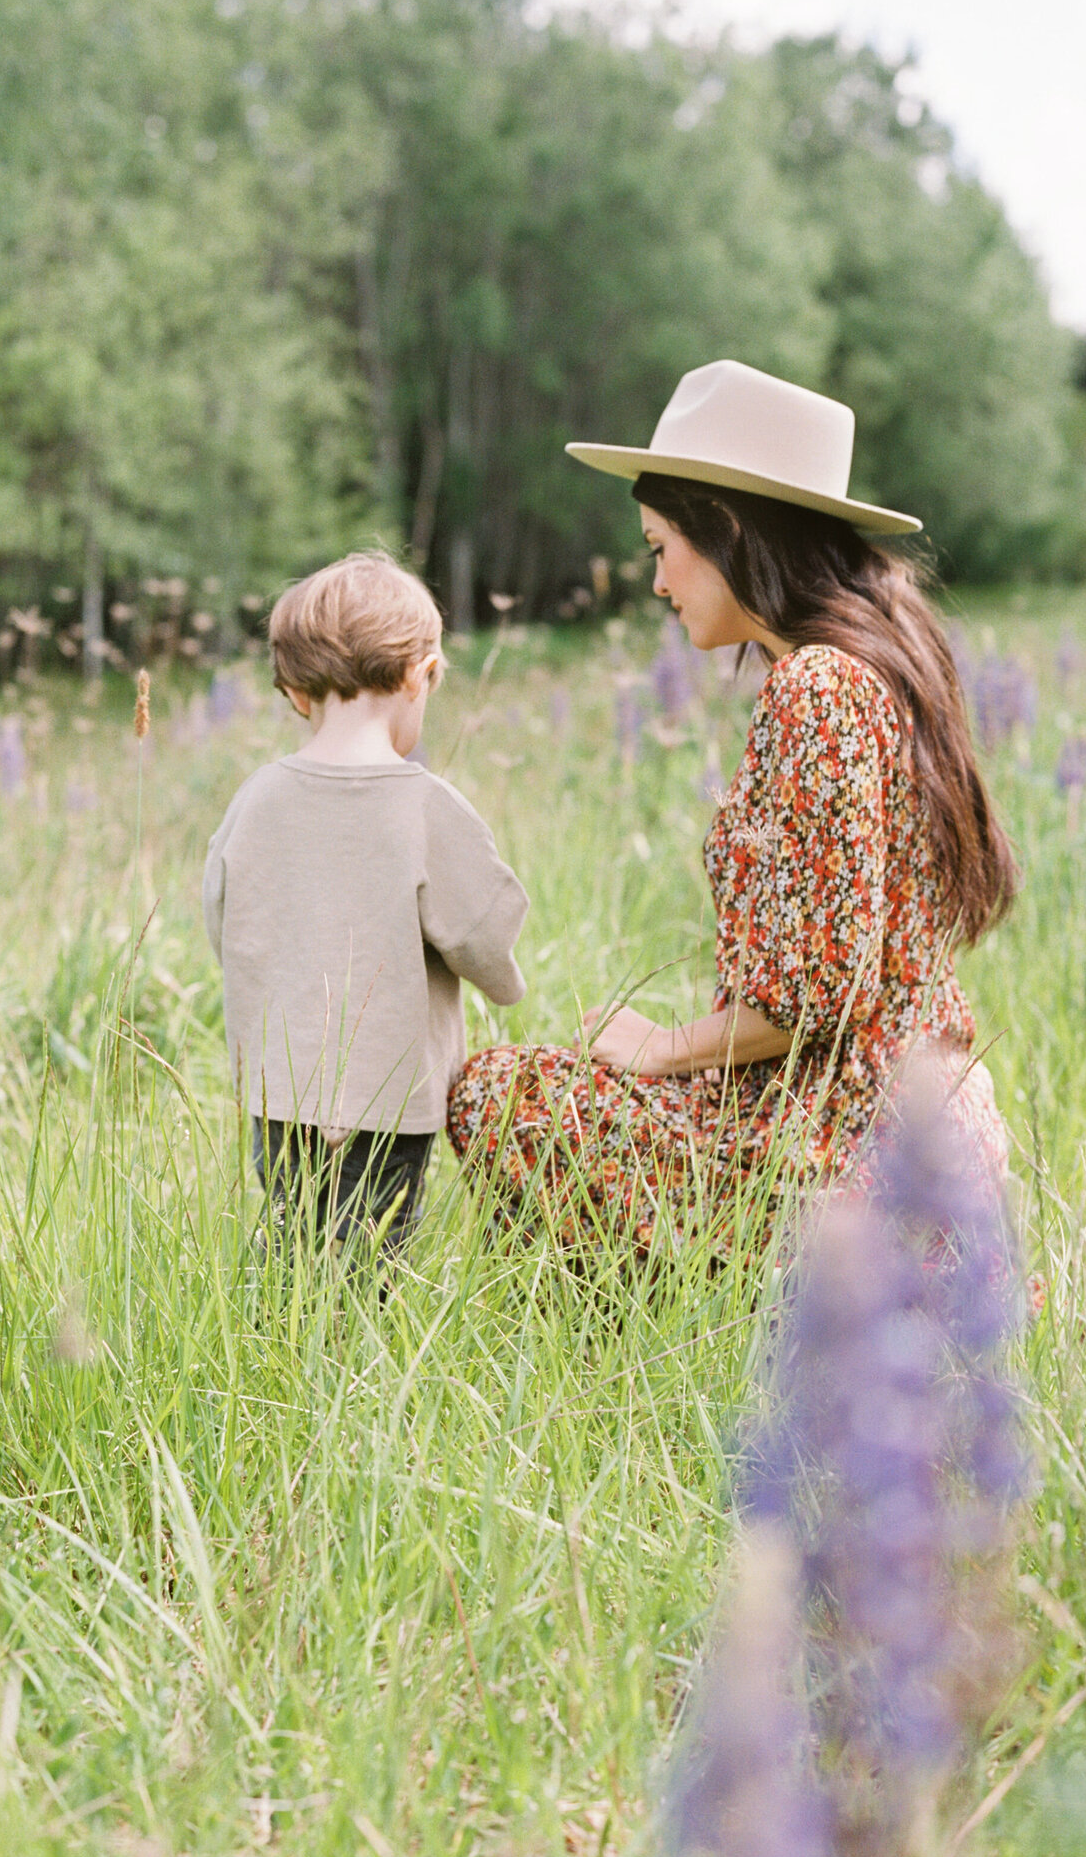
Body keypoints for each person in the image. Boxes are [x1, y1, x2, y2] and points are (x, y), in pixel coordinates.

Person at [447, 359, 1017, 1261]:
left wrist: (666, 1045)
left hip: (843, 1143)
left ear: (728, 528)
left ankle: (647, 1347)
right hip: (908, 1120)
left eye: (659, 548)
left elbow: (819, 996)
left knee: (497, 1093)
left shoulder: (817, 688)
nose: (659, 582)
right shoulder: (875, 664)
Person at [204, 551, 529, 1261]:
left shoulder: (256, 798)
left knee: (294, 1226)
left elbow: (222, 914)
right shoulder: (424, 805)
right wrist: (504, 982)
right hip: (390, 1094)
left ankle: (274, 1350)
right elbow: (484, 932)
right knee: (371, 1251)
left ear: (293, 690)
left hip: (278, 1086)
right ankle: (345, 1366)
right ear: (421, 675)